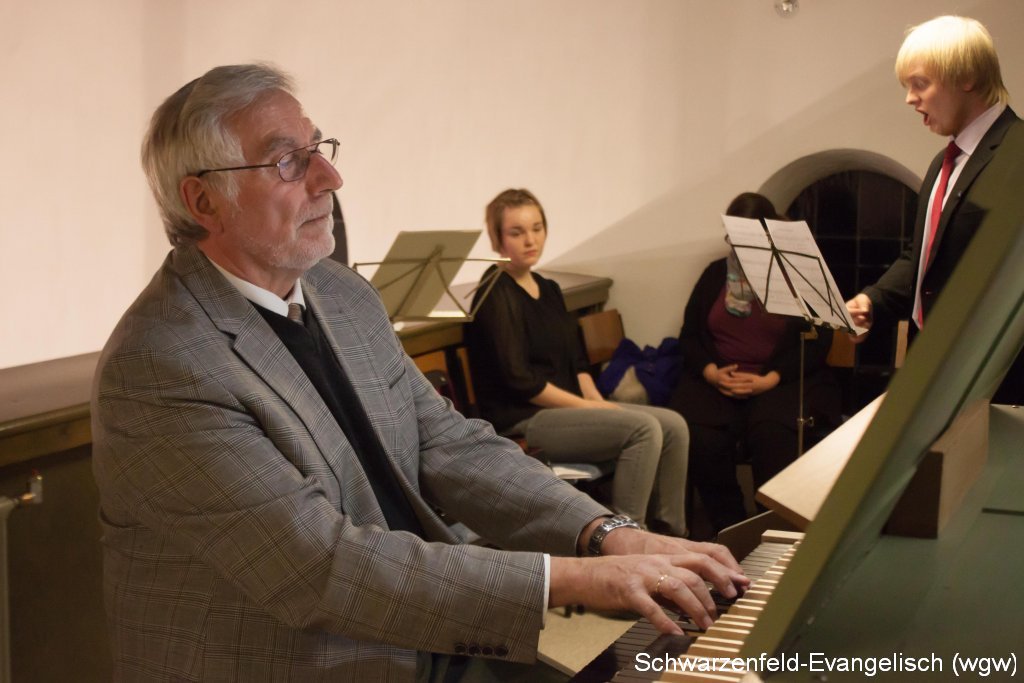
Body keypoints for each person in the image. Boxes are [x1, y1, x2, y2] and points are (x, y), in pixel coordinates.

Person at [90, 64, 747, 682]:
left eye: (319, 147)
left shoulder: (340, 295)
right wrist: (574, 581)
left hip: (425, 633)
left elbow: (449, 442)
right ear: (204, 200)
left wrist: (607, 536)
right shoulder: (162, 363)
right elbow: (320, 569)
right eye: (288, 160)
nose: (330, 177)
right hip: (307, 660)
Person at [465, 188, 690, 537]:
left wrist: (600, 405)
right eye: (517, 232)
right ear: (497, 239)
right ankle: (628, 539)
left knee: (674, 425)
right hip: (524, 420)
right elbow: (521, 381)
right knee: (643, 429)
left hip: (568, 410)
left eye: (537, 228)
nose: (530, 240)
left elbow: (578, 363)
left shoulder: (549, 288)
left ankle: (674, 535)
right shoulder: (494, 292)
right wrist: (592, 408)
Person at [846, 16, 1024, 401]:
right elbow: (923, 257)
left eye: (920, 84)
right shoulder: (944, 163)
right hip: (935, 374)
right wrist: (873, 300)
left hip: (994, 383)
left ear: (967, 78)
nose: (910, 99)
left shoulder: (1017, 153)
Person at [668, 193, 840, 533]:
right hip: (721, 381)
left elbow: (820, 341)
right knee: (700, 433)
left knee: (771, 433)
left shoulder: (794, 275)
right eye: (733, 238)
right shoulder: (715, 274)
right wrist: (711, 372)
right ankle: (730, 527)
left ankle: (771, 527)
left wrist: (771, 378)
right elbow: (689, 336)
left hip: (780, 381)